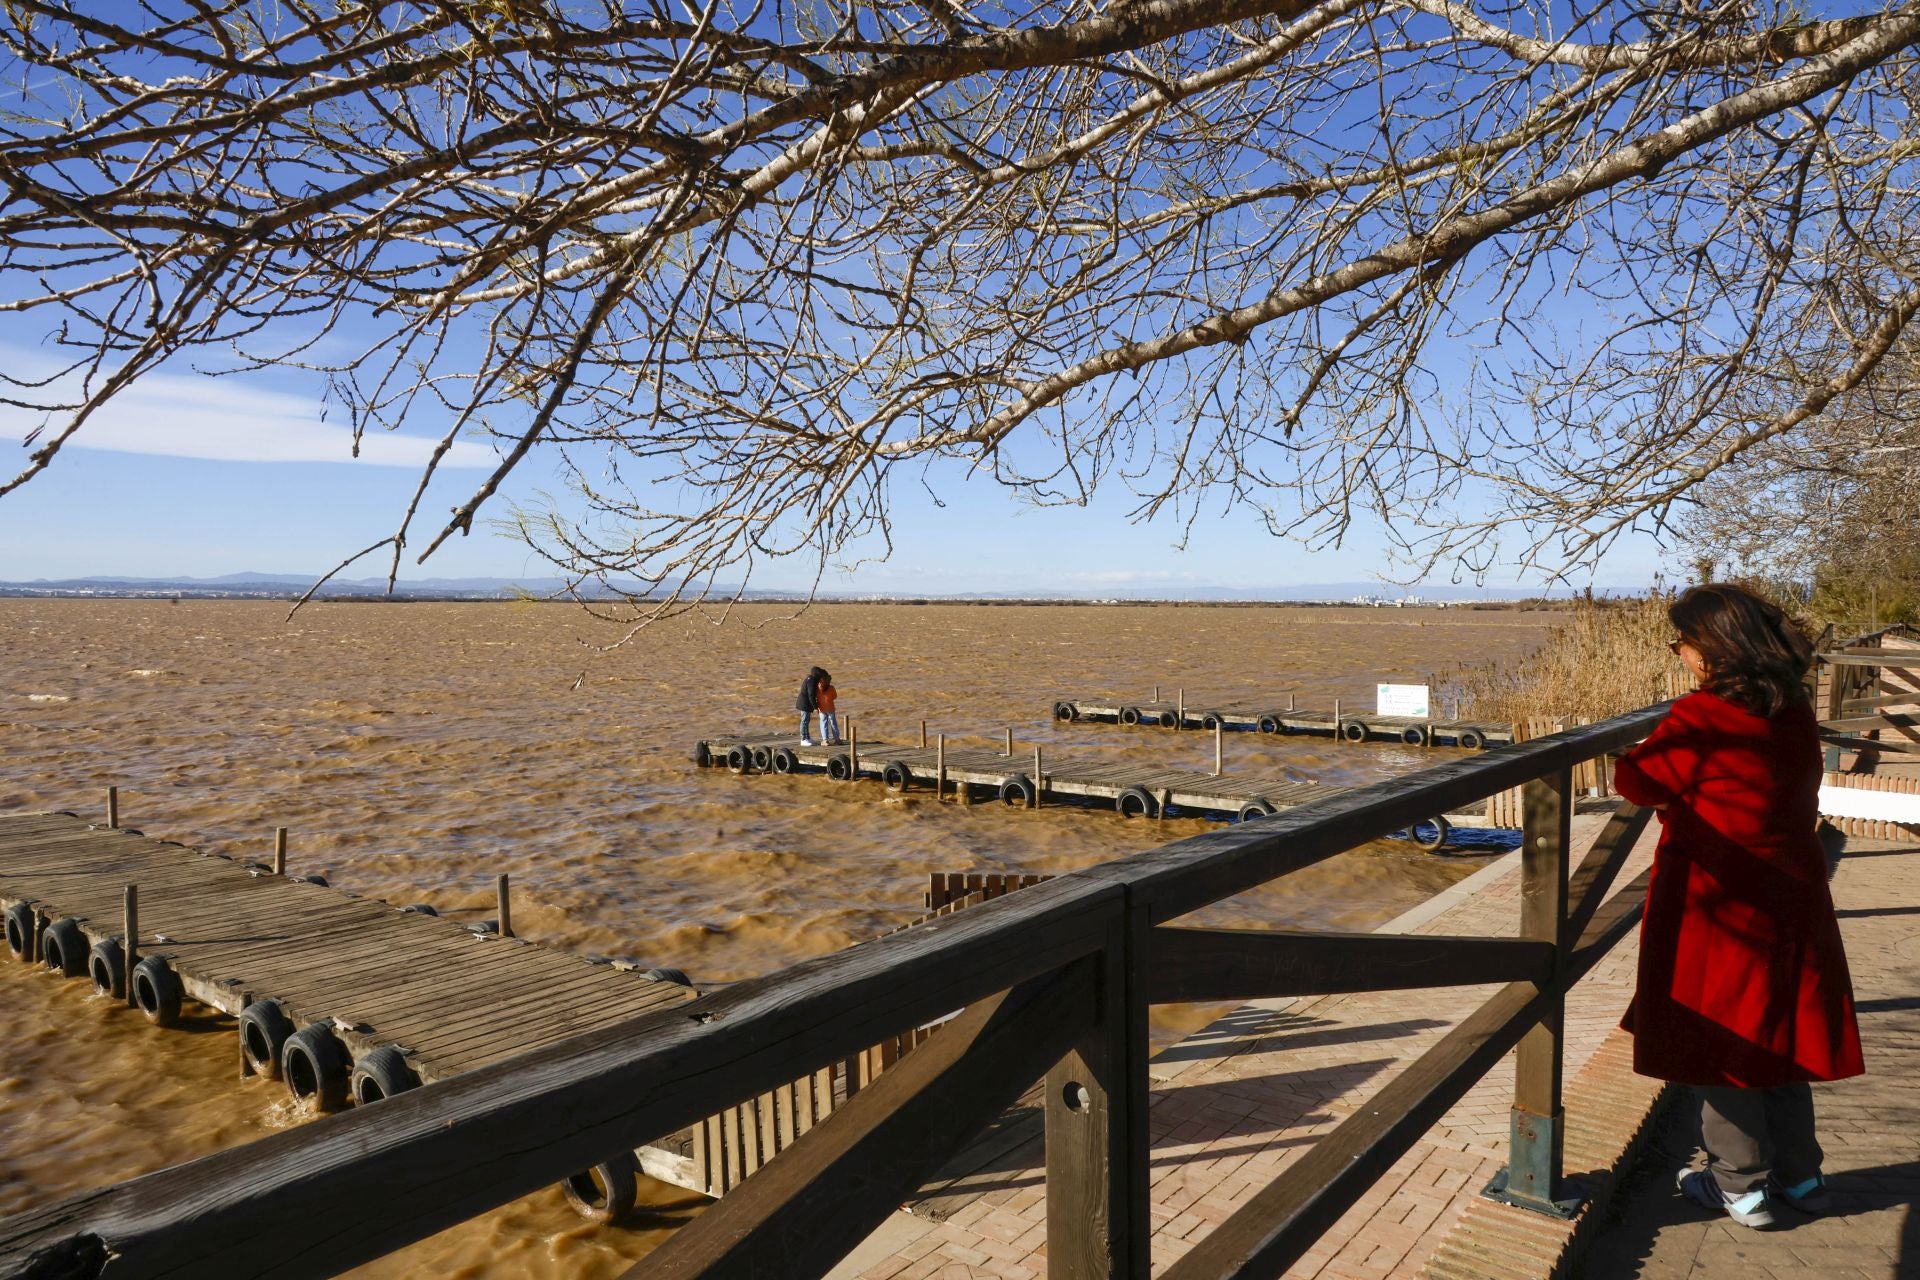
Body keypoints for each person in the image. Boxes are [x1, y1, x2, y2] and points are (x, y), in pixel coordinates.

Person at [1613, 583, 1862, 1231]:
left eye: (1683, 642)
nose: (1680, 652)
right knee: (1781, 1034)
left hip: (1718, 897)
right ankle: (1802, 1177)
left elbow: (1638, 782)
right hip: (1791, 891)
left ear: (1713, 650)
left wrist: (1635, 753)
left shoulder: (1701, 716)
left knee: (1719, 1040)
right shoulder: (1793, 708)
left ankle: (1738, 1186)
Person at [795, 666, 828, 745]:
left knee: (807, 721)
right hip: (804, 704)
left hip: (806, 703)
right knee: (804, 721)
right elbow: (811, 695)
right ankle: (803, 739)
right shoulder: (811, 681)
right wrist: (815, 707)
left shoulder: (810, 678)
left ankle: (807, 737)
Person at [817, 675, 842, 746]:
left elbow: (816, 697)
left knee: (823, 723)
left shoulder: (818, 688)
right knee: (833, 723)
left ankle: (825, 740)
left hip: (821, 708)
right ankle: (837, 739)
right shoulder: (831, 688)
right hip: (830, 707)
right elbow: (835, 696)